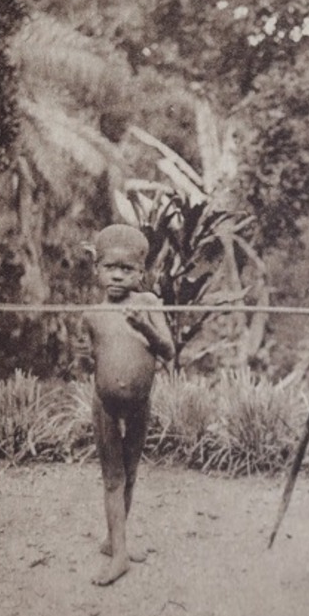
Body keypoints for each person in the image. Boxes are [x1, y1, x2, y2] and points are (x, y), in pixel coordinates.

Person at [83, 224, 174, 586]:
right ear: (97, 270)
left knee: (131, 474)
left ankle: (113, 541)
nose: (118, 275)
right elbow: (94, 356)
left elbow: (168, 351)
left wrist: (146, 329)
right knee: (113, 479)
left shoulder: (148, 304)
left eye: (127, 269)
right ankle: (119, 552)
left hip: (140, 403)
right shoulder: (92, 315)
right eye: (110, 267)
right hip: (105, 404)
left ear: (141, 274)